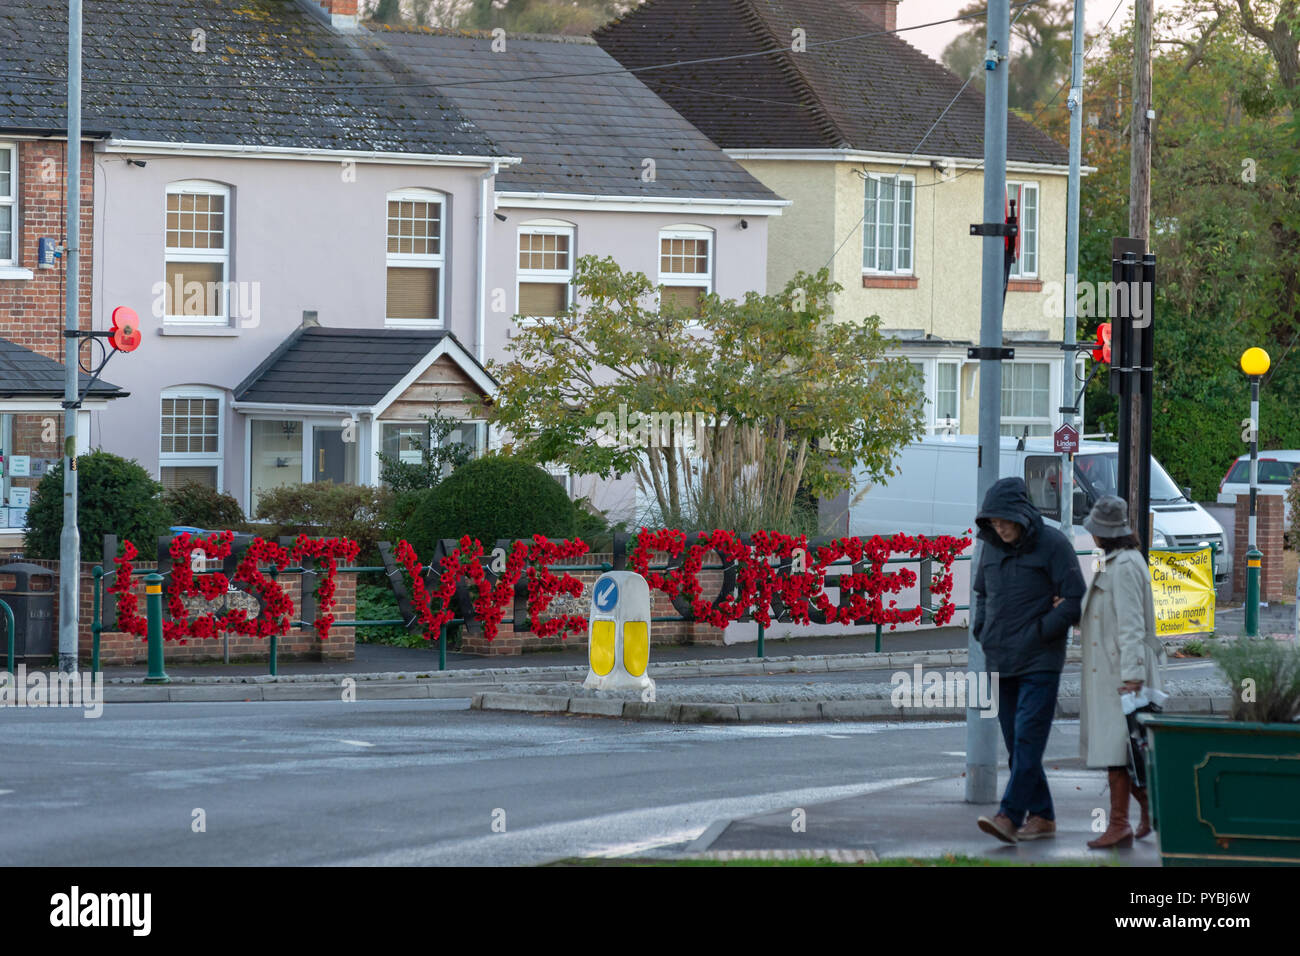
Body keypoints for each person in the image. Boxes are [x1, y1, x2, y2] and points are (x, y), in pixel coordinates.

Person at [972, 477, 1085, 844]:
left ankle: (1009, 816)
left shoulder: (1053, 545)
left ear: (1022, 514)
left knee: (1027, 744)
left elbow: (1074, 599)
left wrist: (1042, 632)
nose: (999, 526)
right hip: (1000, 660)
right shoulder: (990, 547)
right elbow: (982, 593)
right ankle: (1043, 816)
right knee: (1015, 743)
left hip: (1040, 661)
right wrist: (981, 627)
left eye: (1004, 520)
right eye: (993, 521)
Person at [1077, 495, 1164, 849]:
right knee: (1128, 750)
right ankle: (1147, 813)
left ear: (1103, 533)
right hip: (1113, 670)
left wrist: (1132, 676)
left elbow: (1131, 625)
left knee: (1119, 751)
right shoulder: (1115, 561)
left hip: (1120, 673)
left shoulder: (1124, 566)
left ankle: (1119, 824)